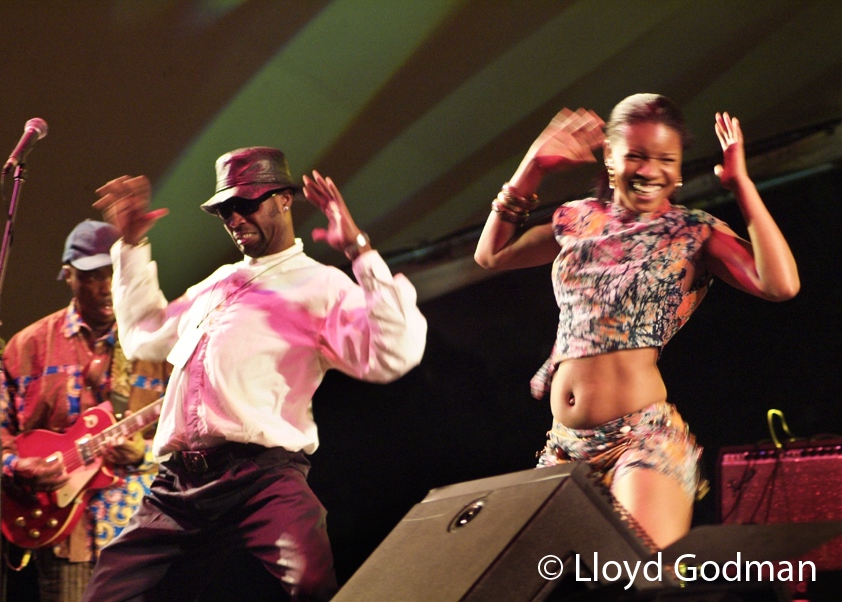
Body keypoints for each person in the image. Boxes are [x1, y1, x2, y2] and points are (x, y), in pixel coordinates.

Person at [80, 147, 427, 602]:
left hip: (261, 477)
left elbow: (394, 353)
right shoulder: (216, 284)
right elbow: (145, 335)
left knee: (312, 585)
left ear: (284, 199)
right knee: (110, 592)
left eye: (246, 204)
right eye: (225, 209)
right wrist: (130, 246)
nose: (234, 218)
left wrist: (357, 249)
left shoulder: (319, 284)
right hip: (180, 484)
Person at [474, 94, 799, 549]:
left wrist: (741, 185)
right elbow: (491, 254)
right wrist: (533, 166)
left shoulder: (693, 232)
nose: (650, 171)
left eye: (666, 159)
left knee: (641, 579)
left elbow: (779, 285)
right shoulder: (578, 219)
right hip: (564, 446)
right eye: (636, 156)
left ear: (680, 167)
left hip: (640, 442)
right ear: (610, 157)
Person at [0, 220, 171, 602]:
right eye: (92, 275)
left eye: (113, 273)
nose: (106, 286)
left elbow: (198, 427)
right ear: (68, 275)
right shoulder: (26, 347)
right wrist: (16, 465)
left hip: (145, 534)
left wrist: (145, 452)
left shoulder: (159, 341)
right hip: (65, 536)